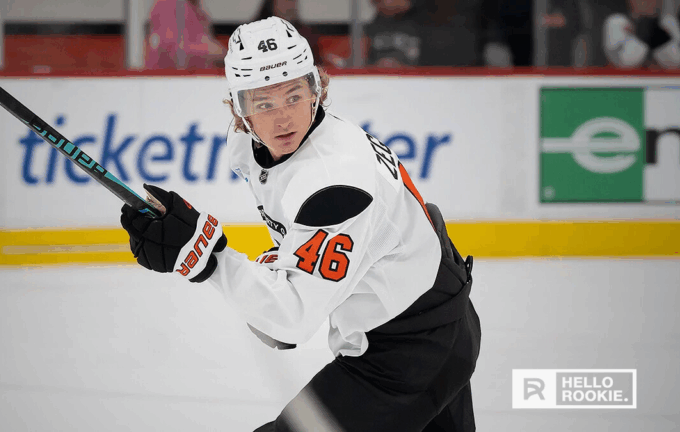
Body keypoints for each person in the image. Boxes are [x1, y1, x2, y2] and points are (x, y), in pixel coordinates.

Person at [121, 17, 481, 432]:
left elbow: (289, 322)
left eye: (294, 95)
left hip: (413, 353)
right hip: (430, 320)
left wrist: (208, 258)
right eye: (263, 104)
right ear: (240, 111)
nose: (283, 119)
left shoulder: (335, 183)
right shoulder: (247, 147)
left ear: (316, 88)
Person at [145, 0, 225, 70]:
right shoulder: (169, 5)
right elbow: (173, 51)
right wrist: (213, 52)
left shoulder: (199, 13)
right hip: (168, 80)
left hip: (197, 80)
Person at [253, 0, 326, 66]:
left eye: (292, 1)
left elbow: (317, 65)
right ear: (272, 4)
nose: (289, 6)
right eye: (285, 1)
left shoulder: (305, 34)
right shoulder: (254, 33)